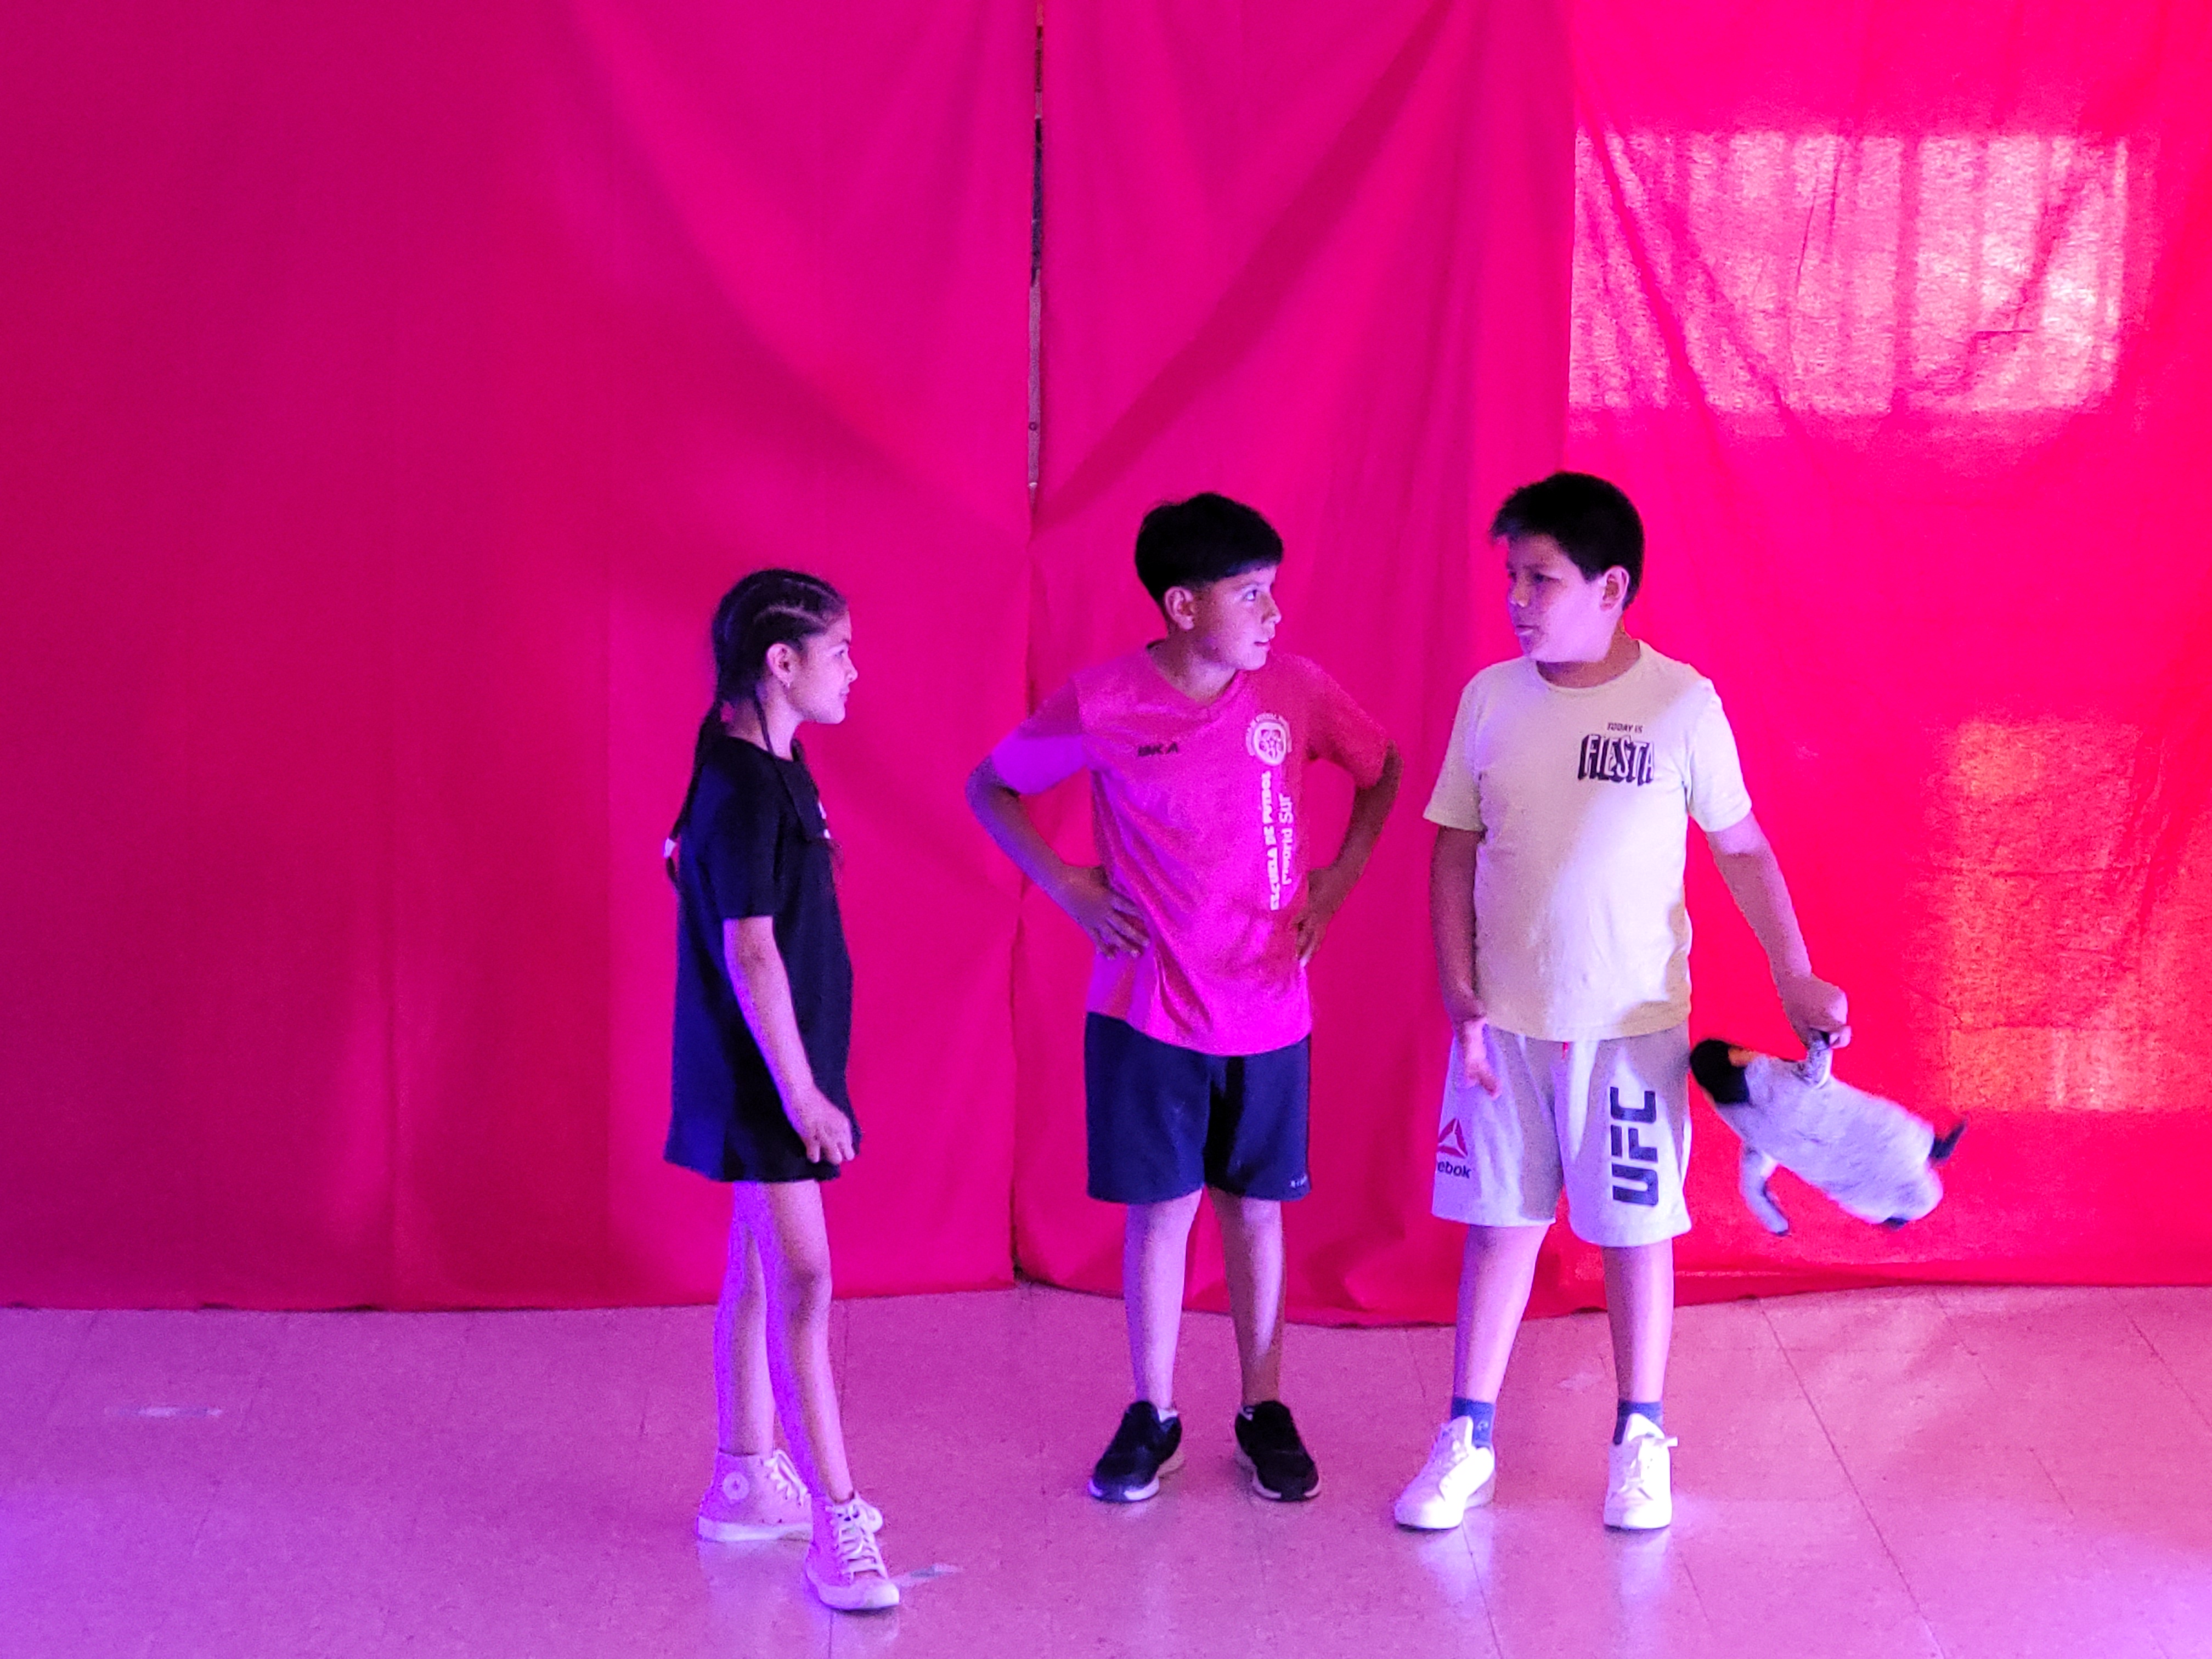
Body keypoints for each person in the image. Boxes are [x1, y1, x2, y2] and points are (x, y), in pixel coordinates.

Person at [1392, 473, 1849, 1533]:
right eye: (1512, 578)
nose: (1518, 600)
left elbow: (1742, 848)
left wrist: (1792, 973)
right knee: (1500, 1226)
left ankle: (1640, 1438)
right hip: (1504, 1027)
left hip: (1633, 1033)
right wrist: (1460, 992)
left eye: (1541, 580)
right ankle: (1468, 1439)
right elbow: (1453, 849)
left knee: (1638, 1233)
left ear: (1611, 588)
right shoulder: (1490, 699)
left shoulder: (1682, 705)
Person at [968, 493, 1401, 1504]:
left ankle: (1263, 1407)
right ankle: (1152, 1413)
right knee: (1160, 1215)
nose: (1272, 613)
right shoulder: (1105, 702)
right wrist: (1068, 886)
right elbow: (991, 787)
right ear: (1181, 605)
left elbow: (1381, 770)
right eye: (1249, 594)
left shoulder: (1296, 691)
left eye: (1272, 591)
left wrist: (1336, 882)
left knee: (1256, 1211)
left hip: (1270, 1010)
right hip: (1148, 1012)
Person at [665, 569, 896, 1612]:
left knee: (758, 1271)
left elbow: (682, 859)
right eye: (839, 652)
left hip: (776, 1060)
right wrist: (802, 1095)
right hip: (766, 1074)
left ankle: (745, 1476)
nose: (854, 670)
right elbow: (751, 948)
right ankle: (837, 1527)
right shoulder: (746, 785)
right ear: (782, 662)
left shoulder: (762, 759)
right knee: (807, 1282)